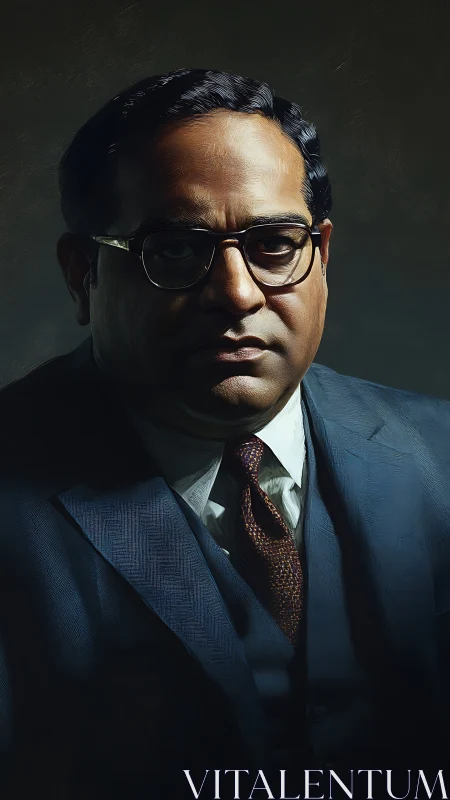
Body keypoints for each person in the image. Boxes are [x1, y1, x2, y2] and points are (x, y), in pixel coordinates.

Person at [0, 68, 448, 799]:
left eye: (275, 243)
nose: (237, 293)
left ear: (322, 257)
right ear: (82, 274)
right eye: (175, 249)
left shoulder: (442, 457)